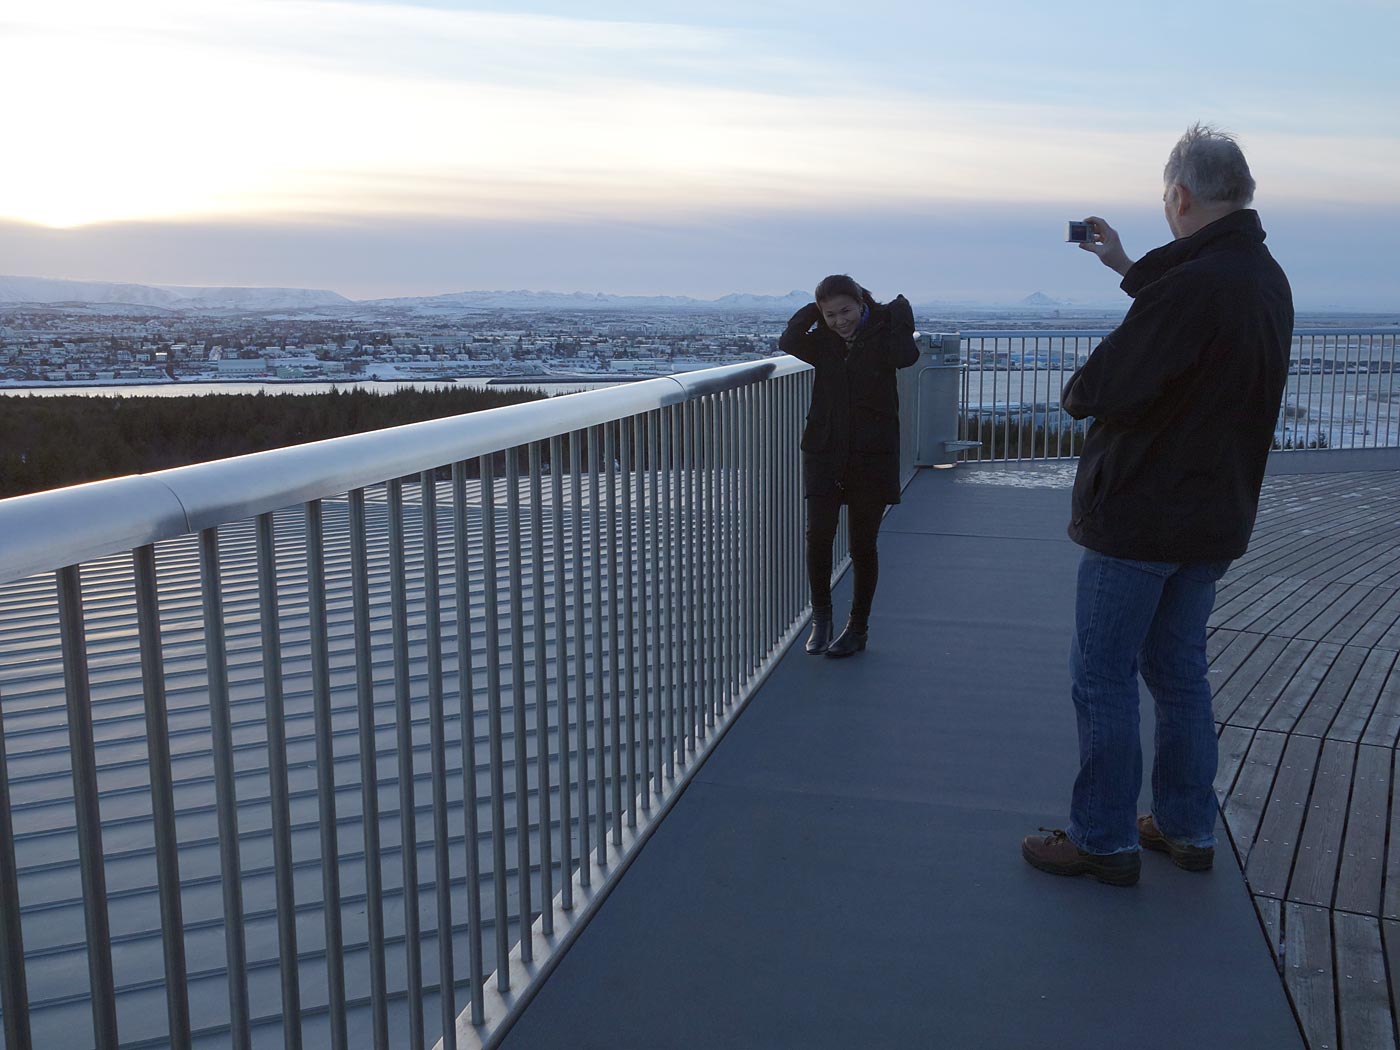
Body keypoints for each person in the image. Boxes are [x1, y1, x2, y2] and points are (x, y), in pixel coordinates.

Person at [1021, 124, 1293, 886]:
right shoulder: (1262, 275)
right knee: (1178, 671)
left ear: (1177, 195)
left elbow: (1103, 388)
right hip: (1215, 514)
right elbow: (1193, 334)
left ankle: (1102, 839)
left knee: (1102, 673)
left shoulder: (1196, 284)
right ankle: (1185, 825)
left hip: (1142, 516)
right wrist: (1126, 266)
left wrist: (1081, 386)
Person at [779, 275, 920, 658]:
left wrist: (900, 313)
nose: (840, 321)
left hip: (871, 455)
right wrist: (813, 309)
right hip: (825, 451)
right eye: (830, 314)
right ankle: (821, 616)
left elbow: (906, 357)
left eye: (846, 311)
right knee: (818, 536)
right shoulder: (823, 343)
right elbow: (788, 341)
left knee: (862, 545)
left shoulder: (882, 335)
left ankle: (858, 628)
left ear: (861, 304)